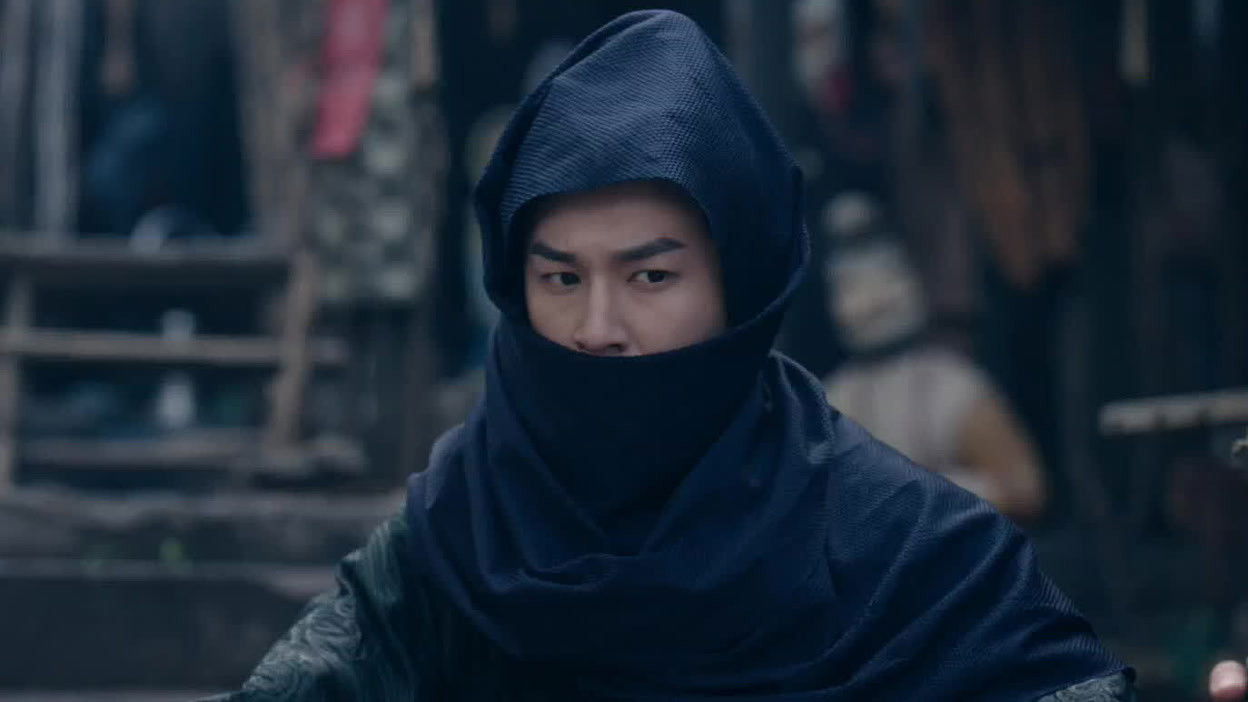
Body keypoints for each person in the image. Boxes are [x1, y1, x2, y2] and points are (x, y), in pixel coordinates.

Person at [210, 12, 1133, 700]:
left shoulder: (906, 549)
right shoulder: (460, 535)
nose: (597, 326)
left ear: (740, 285)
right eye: (560, 277)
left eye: (649, 276)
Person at [821, 192, 1047, 522]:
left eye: (884, 279)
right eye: (851, 286)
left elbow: (1026, 489)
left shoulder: (954, 386)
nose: (871, 301)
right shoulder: (834, 398)